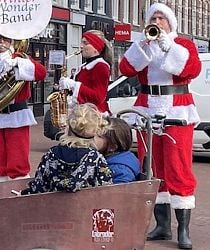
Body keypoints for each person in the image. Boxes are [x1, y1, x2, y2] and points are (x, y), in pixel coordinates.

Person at [118, 3, 201, 249]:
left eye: (160, 18)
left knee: (178, 167)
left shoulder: (183, 45)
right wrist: (141, 47)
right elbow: (125, 68)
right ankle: (162, 225)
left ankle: (183, 229)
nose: (156, 21)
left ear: (170, 23)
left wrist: (168, 48)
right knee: (151, 166)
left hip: (177, 108)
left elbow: (192, 69)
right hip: (147, 108)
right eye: (153, 17)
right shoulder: (144, 43)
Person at [0, 28, 47, 183]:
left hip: (17, 115)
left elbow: (41, 73)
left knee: (18, 159)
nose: (2, 42)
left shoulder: (20, 58)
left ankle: (18, 195)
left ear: (11, 42)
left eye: (6, 39)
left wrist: (18, 63)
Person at [20, 103, 112, 195]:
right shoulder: (95, 158)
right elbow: (105, 189)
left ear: (67, 128)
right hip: (85, 206)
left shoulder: (51, 155)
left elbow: (39, 187)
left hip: (53, 207)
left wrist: (24, 193)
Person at [58, 30, 113, 115]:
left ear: (96, 47)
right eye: (81, 42)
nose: (81, 46)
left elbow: (98, 97)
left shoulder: (101, 66)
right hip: (83, 114)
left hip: (94, 116)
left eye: (85, 43)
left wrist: (73, 85)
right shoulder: (85, 66)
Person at [94, 117, 140, 183]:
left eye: (99, 136)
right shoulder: (108, 158)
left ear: (112, 147)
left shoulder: (120, 168)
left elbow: (120, 190)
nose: (92, 138)